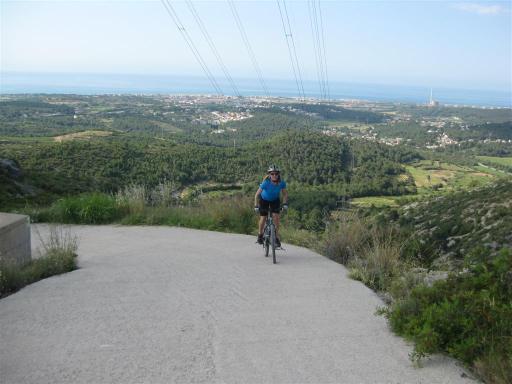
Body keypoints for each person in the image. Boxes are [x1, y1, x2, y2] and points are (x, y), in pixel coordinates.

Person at [254, 164, 288, 247]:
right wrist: (256, 205)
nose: (274, 175)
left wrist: (285, 204)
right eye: (272, 174)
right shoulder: (265, 183)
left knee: (276, 218)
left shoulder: (281, 183)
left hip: (275, 200)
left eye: (276, 174)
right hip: (264, 200)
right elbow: (257, 194)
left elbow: (285, 194)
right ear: (269, 175)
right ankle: (260, 235)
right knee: (263, 217)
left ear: (278, 174)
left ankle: (276, 238)